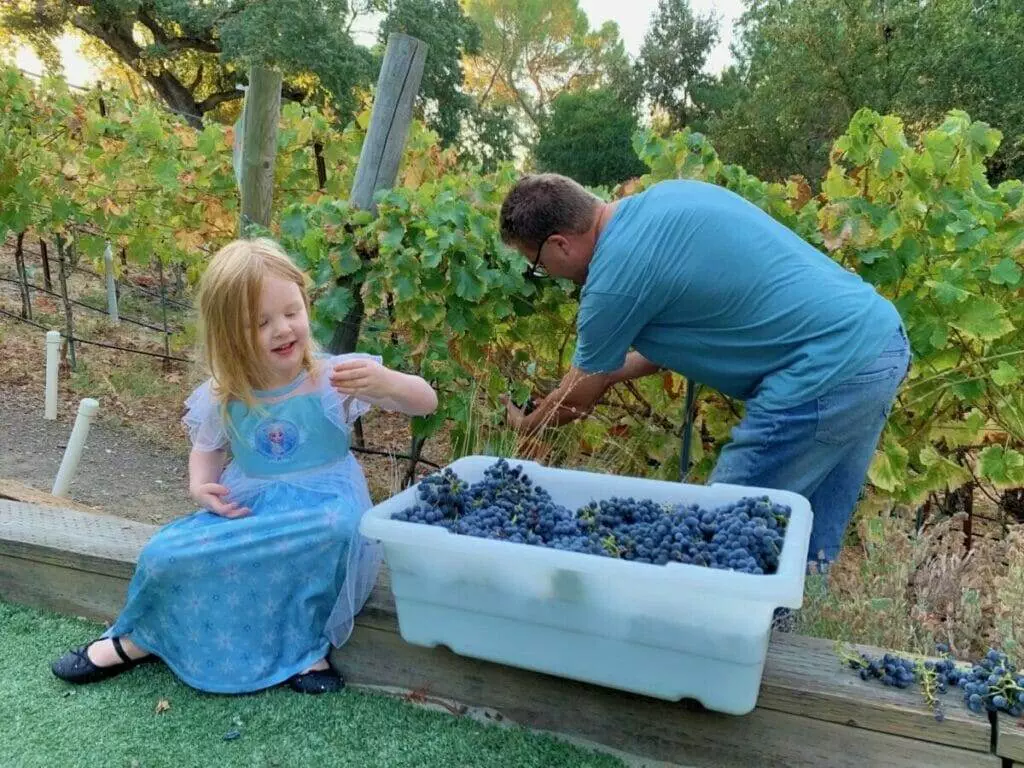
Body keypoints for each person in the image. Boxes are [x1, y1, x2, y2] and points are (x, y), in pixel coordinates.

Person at [50, 237, 437, 694]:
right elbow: (208, 448)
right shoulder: (225, 392)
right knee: (163, 554)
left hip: (323, 505)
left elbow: (425, 403)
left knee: (339, 530)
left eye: (293, 312)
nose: (283, 329)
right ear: (230, 335)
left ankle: (304, 649)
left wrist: (388, 382)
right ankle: (139, 638)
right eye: (261, 322)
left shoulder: (334, 378)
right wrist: (201, 484)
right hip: (252, 504)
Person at [499, 173, 910, 564]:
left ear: (559, 245)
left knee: (720, 531)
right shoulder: (664, 201)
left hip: (824, 370)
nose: (544, 274)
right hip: (877, 342)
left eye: (536, 264)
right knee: (809, 536)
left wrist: (526, 424)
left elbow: (575, 404)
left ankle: (709, 636)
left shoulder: (613, 277)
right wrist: (604, 372)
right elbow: (665, 348)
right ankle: (792, 634)